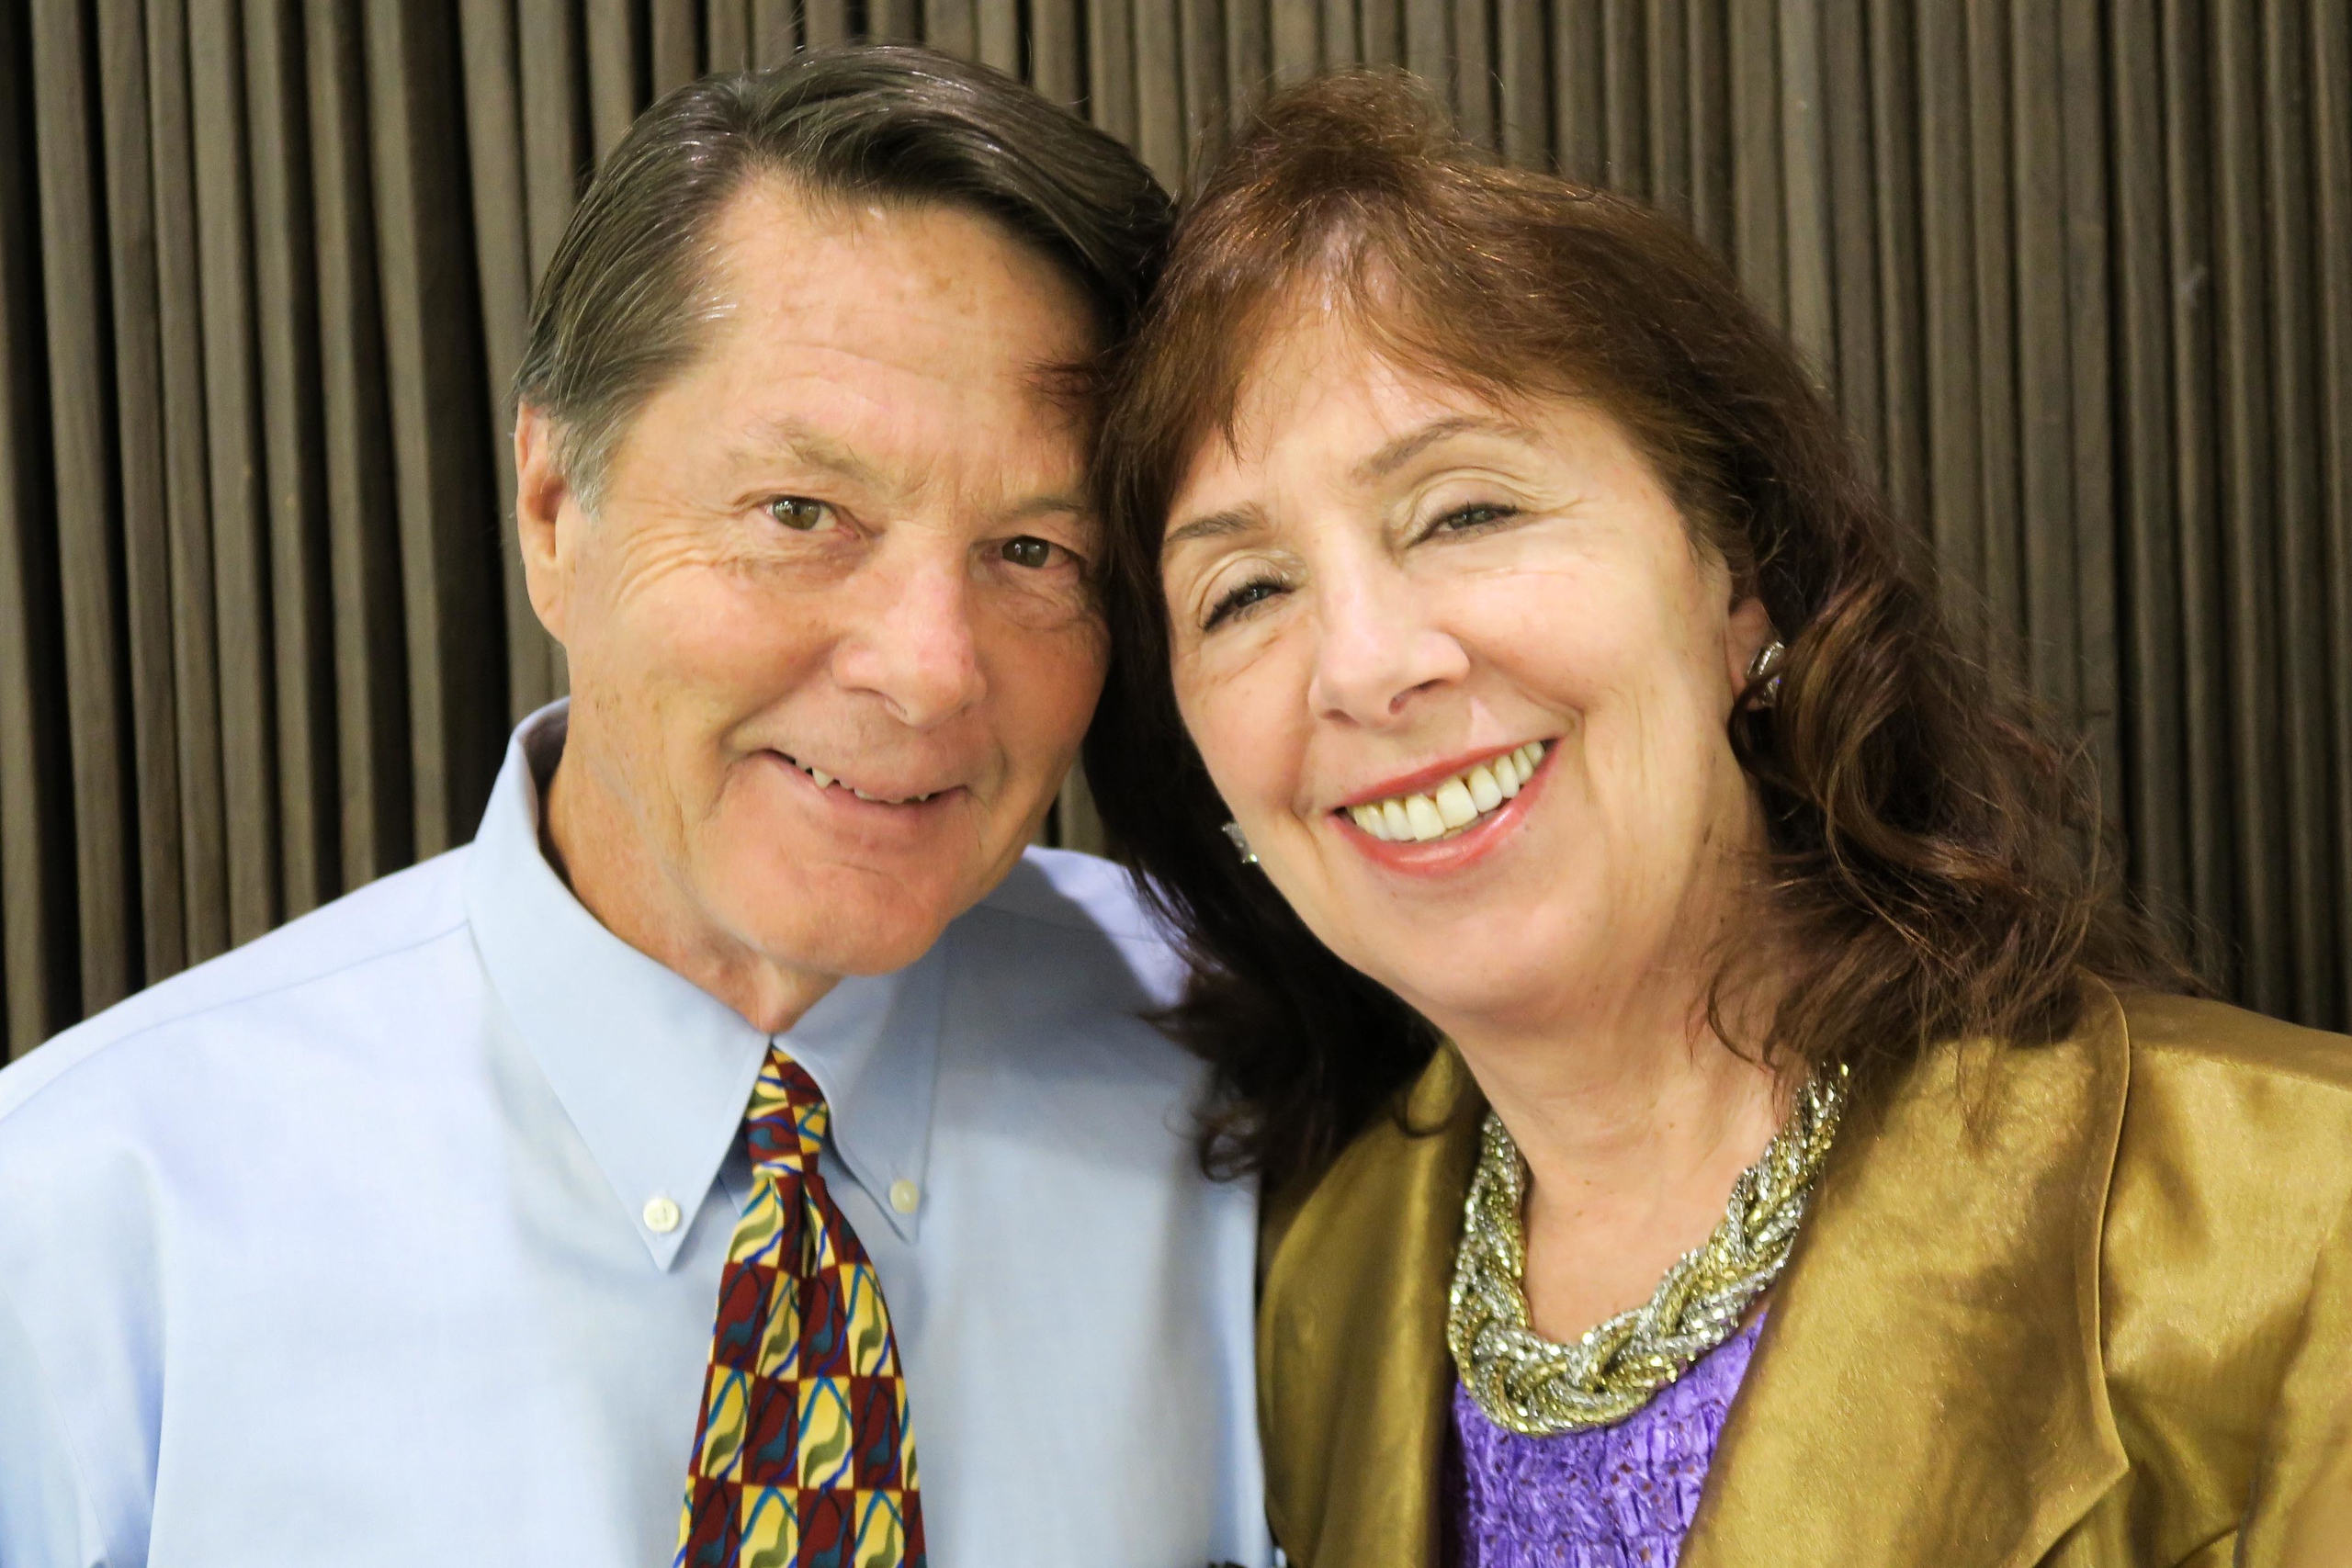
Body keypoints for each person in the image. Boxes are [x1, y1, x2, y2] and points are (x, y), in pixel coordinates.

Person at [0, 47, 1270, 1568]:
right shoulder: (80, 1220)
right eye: (801, 513)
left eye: (1034, 554)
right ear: (554, 512)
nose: (932, 670)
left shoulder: (1259, 1071)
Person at [1081, 71, 2352, 1568]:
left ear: (1736, 578)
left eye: (1467, 511)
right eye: (1245, 593)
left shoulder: (2301, 1220)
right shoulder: (1319, 1289)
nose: (1363, 667)